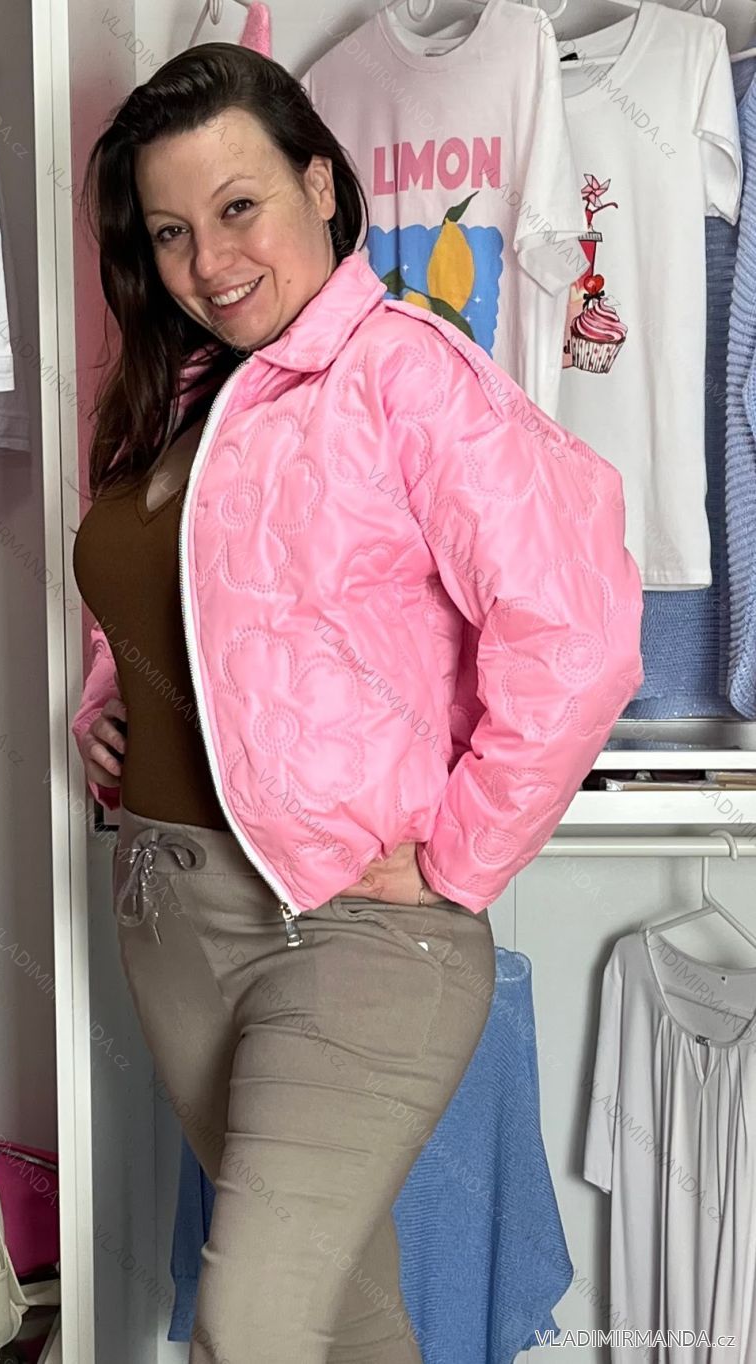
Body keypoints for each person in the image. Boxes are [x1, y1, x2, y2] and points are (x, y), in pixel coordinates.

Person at [71, 42, 644, 1364]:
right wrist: (108, 701)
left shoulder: (408, 375)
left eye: (240, 207)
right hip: (170, 916)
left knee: (251, 1326)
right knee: (342, 1316)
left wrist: (463, 849)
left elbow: (577, 628)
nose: (210, 262)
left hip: (355, 931)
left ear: (321, 185)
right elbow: (165, 593)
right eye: (170, 231)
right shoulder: (185, 396)